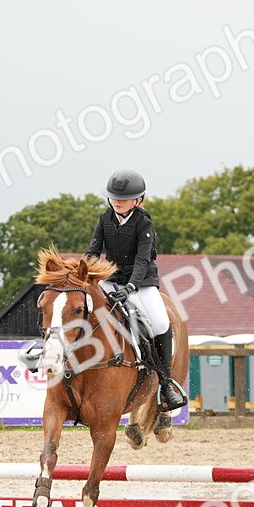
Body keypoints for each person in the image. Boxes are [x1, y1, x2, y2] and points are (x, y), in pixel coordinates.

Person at [85, 168, 186, 411]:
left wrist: (130, 286)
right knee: (80, 307)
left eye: (124, 198)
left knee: (161, 323)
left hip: (140, 283)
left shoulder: (144, 223)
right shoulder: (103, 219)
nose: (118, 201)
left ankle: (166, 383)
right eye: (114, 197)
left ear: (138, 200)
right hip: (110, 279)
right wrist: (85, 273)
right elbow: (93, 251)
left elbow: (143, 261)